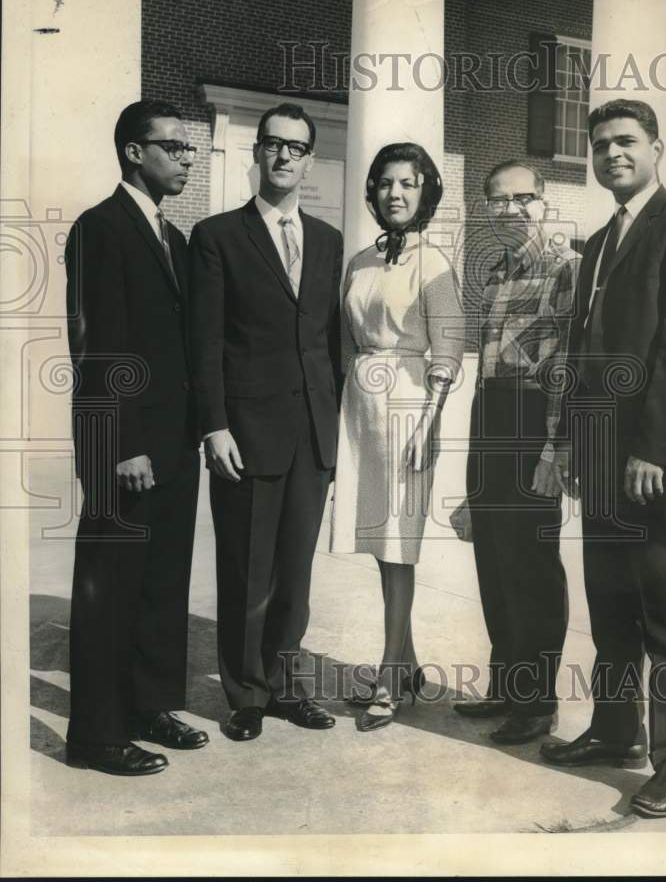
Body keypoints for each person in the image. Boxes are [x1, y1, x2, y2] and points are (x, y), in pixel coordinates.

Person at [540, 99, 666, 819]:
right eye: (600, 145)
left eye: (625, 141)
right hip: (600, 454)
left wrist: (651, 448)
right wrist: (567, 444)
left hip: (662, 459)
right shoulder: (596, 244)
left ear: (656, 148)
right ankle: (615, 729)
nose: (611, 154)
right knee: (612, 603)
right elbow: (584, 356)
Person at [189, 102, 342, 742]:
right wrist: (214, 426)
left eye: (296, 148)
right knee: (247, 573)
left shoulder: (329, 241)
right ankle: (245, 694)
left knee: (295, 577)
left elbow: (329, 342)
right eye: (273, 145)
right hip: (245, 435)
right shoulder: (218, 236)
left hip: (310, 434)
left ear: (310, 158)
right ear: (258, 152)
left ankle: (285, 688)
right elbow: (204, 341)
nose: (283, 156)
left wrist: (333, 428)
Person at [64, 100, 206, 776]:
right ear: (132, 151)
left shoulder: (172, 240)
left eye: (189, 148)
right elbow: (96, 347)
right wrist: (121, 444)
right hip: (123, 445)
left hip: (174, 447)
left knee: (161, 584)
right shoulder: (100, 228)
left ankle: (147, 705)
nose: (185, 158)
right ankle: (94, 735)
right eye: (173, 147)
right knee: (109, 590)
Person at [330, 142, 464, 732]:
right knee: (379, 544)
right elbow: (342, 339)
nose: (395, 194)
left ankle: (389, 674)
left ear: (424, 191)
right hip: (360, 406)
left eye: (408, 183)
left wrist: (428, 424)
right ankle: (405, 664)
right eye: (385, 183)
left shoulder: (433, 262)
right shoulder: (359, 260)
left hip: (409, 406)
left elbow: (449, 349)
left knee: (399, 543)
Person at [452, 162, 581, 745]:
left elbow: (566, 367)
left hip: (535, 422)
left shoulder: (566, 267)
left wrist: (556, 447)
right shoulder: (495, 273)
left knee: (531, 567)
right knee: (495, 560)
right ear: (486, 210)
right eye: (500, 202)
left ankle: (537, 702)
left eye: (523, 199)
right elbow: (486, 370)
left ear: (543, 200)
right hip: (492, 417)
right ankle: (505, 684)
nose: (513, 210)